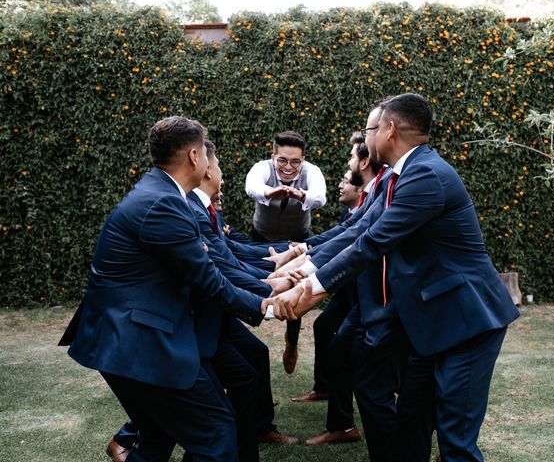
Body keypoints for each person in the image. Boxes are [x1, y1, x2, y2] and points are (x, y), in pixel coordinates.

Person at [274, 93, 521, 462]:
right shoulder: (402, 176)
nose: (365, 138)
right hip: (430, 326)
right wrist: (301, 272)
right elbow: (358, 232)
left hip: (466, 323)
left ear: (389, 130)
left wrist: (313, 290)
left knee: (455, 442)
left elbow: (373, 242)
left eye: (369, 129)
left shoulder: (426, 175)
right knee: (410, 422)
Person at [60, 116, 277, 462]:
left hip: (125, 337)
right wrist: (269, 306)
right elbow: (208, 279)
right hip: (136, 342)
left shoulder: (162, 193)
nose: (208, 163)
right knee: (217, 434)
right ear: (194, 156)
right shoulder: (163, 203)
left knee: (159, 435)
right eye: (206, 155)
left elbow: (203, 264)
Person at [245, 130, 327, 374]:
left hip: (295, 242)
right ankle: (247, 342)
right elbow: (251, 186)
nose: (288, 167)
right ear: (273, 157)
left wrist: (301, 195)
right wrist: (269, 192)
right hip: (261, 238)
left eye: (295, 161)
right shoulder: (263, 168)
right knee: (250, 285)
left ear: (302, 160)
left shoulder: (311, 172)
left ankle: (291, 343)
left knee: (295, 291)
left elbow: (320, 196)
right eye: (282, 160)